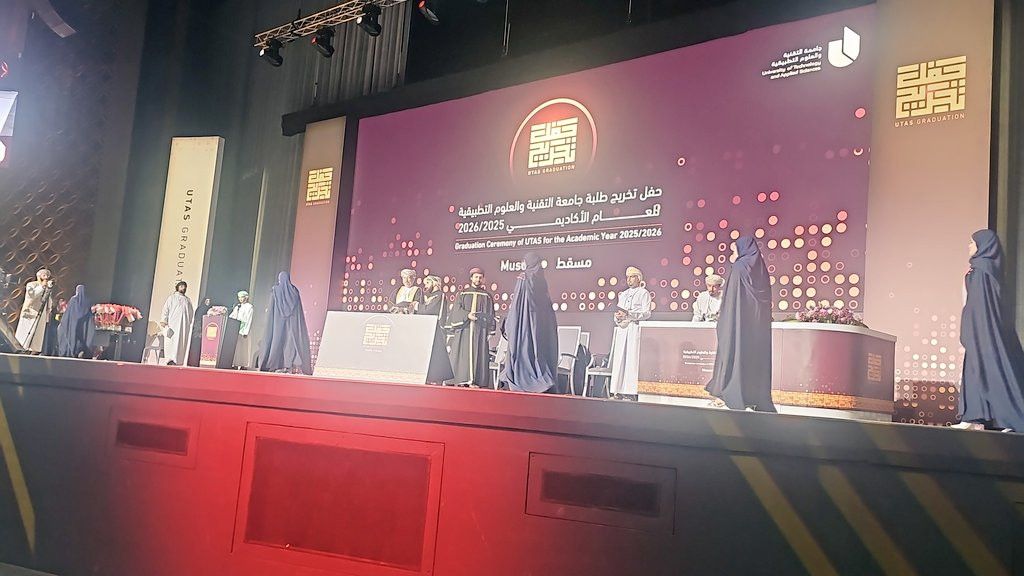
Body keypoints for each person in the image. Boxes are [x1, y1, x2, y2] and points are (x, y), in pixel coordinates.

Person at [954, 230, 1024, 432]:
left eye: (972, 242)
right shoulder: (980, 270)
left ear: (983, 246)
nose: (969, 246)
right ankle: (973, 416)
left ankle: (1014, 420)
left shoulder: (983, 271)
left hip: (985, 332)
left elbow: (980, 306)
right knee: (973, 369)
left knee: (993, 370)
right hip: (979, 330)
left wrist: (974, 330)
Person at [706, 236, 776, 412]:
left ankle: (730, 393)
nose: (732, 254)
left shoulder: (739, 268)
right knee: (755, 359)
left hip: (739, 325)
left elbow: (732, 300)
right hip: (757, 328)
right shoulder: (761, 269)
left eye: (733, 250)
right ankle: (753, 397)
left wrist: (724, 321)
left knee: (734, 353)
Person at [499, 253, 559, 393]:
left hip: (524, 324)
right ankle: (541, 381)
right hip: (540, 327)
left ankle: (524, 380)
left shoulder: (524, 278)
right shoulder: (541, 280)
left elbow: (517, 303)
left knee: (523, 349)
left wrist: (509, 323)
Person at [445, 268, 495, 387]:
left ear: (483, 279)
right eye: (476, 277)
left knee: (478, 354)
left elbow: (491, 314)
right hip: (465, 330)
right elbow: (456, 310)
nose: (478, 279)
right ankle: (462, 379)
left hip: (480, 330)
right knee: (463, 354)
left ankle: (476, 380)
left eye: (480, 277)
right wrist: (467, 315)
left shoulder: (487, 296)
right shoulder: (463, 294)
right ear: (471, 278)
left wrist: (490, 330)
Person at [608, 266, 652, 400]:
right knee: (620, 359)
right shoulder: (623, 294)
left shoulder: (644, 293)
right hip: (622, 329)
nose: (629, 280)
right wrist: (618, 317)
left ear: (638, 279)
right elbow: (620, 312)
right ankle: (617, 391)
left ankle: (631, 392)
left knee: (632, 360)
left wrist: (629, 314)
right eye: (627, 277)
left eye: (632, 277)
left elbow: (647, 313)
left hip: (634, 329)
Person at [259, 271, 312, 375]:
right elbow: (298, 312)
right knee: (290, 343)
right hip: (292, 325)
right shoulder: (294, 292)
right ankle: (289, 366)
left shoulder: (275, 291)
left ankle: (274, 365)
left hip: (277, 323)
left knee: (276, 341)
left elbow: (272, 310)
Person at [416, 275, 455, 384]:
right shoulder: (431, 296)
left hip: (437, 329)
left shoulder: (439, 295)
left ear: (434, 283)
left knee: (436, 355)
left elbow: (429, 310)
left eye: (428, 283)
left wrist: (417, 306)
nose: (426, 286)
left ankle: (436, 379)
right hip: (429, 329)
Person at [15, 268, 56, 353]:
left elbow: (48, 300)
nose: (46, 277)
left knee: (37, 334)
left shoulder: (46, 287)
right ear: (39, 276)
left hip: (41, 313)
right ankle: (22, 348)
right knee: (26, 332)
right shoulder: (31, 285)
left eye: (47, 275)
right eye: (44, 275)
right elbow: (32, 295)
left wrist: (48, 311)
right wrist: (41, 286)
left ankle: (34, 351)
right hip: (31, 312)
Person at [160, 280, 194, 366]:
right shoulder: (172, 298)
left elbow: (190, 313)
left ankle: (178, 361)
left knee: (181, 343)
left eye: (185, 287)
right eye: (181, 286)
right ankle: (169, 360)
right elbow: (165, 310)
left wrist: (188, 323)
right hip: (172, 325)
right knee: (171, 342)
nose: (183, 288)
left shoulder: (188, 300)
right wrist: (164, 320)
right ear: (177, 287)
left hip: (183, 326)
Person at [56, 284, 94, 358]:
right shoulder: (86, 302)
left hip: (72, 324)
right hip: (82, 327)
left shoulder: (73, 300)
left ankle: (69, 351)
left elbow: (68, 314)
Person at [229, 290, 254, 369]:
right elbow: (232, 316)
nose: (240, 299)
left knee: (243, 348)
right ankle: (235, 363)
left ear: (246, 298)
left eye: (242, 297)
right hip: (237, 329)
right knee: (236, 348)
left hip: (244, 329)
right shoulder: (238, 307)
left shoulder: (249, 307)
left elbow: (249, 319)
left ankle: (243, 364)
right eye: (239, 297)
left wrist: (245, 331)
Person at [187, 296, 213, 367]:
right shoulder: (200, 309)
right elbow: (197, 319)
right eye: (207, 301)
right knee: (196, 347)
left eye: (209, 301)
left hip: (205, 331)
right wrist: (199, 330)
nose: (208, 302)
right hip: (198, 331)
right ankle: (193, 362)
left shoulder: (210, 310)